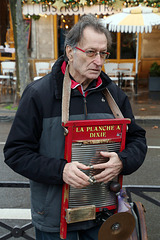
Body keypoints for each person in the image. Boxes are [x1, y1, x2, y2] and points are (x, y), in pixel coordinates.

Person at [3, 14, 147, 240]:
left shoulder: (114, 95)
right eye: (90, 52)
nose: (98, 61)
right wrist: (61, 170)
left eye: (103, 53)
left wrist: (122, 161)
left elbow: (138, 140)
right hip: (55, 218)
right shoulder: (39, 95)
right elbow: (16, 153)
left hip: (103, 216)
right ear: (70, 52)